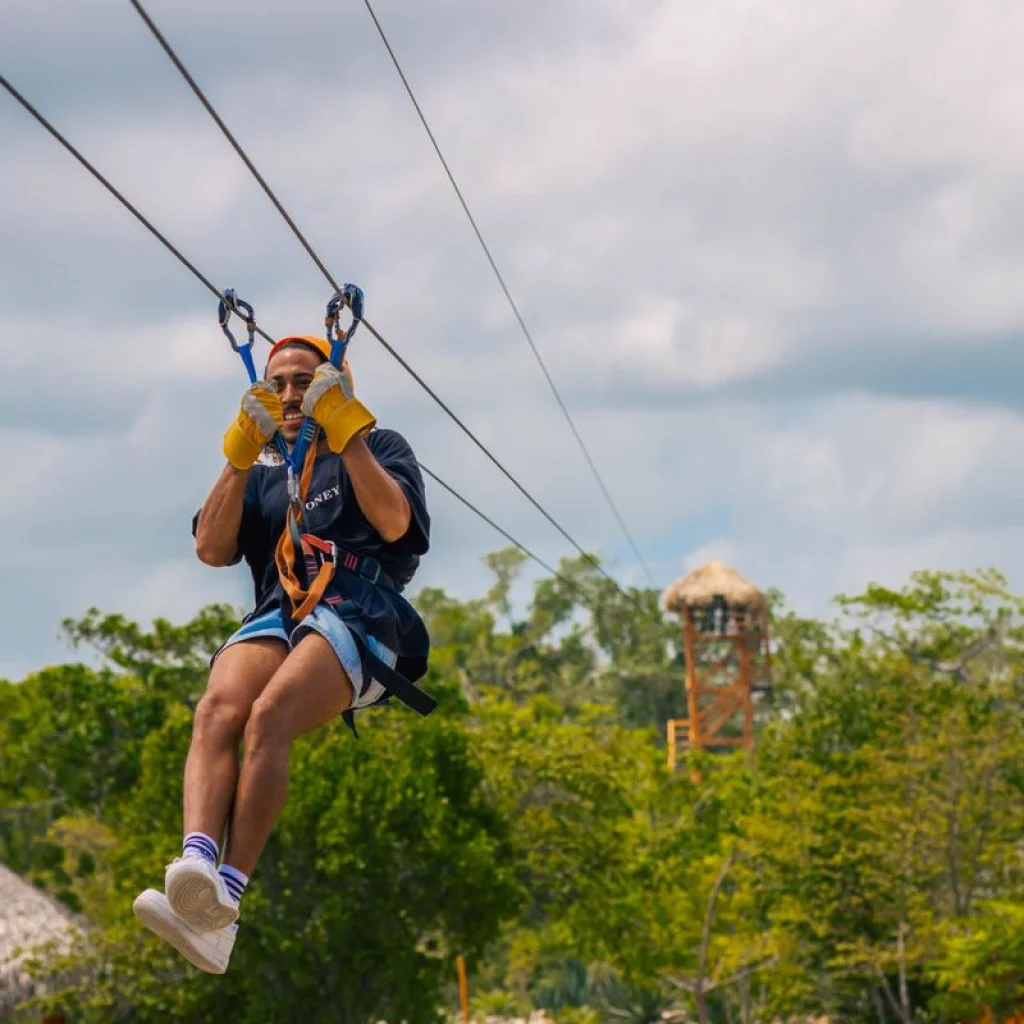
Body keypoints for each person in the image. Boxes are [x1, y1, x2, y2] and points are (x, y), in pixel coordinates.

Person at [132, 335, 431, 974]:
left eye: (305, 382)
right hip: (280, 611)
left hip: (358, 612)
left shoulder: (378, 446)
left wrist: (346, 431)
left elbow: (396, 525)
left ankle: (228, 900)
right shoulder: (266, 465)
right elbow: (212, 548)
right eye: (281, 385)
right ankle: (197, 868)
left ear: (336, 383)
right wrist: (239, 454)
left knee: (270, 716)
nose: (292, 396)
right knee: (218, 708)